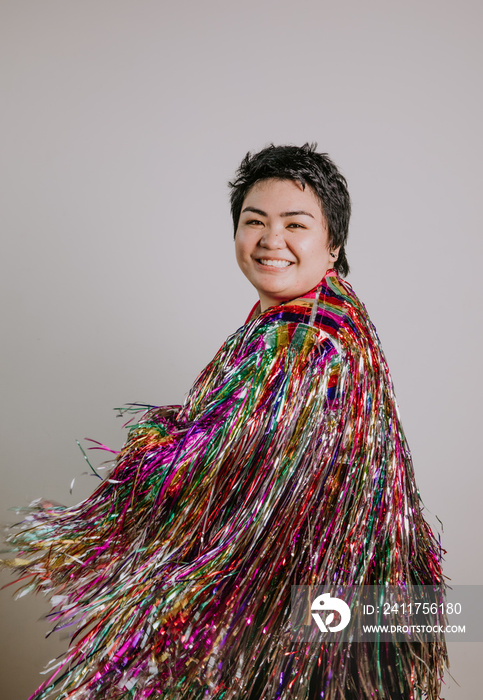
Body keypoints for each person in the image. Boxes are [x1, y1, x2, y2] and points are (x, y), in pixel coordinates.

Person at [3, 144, 448, 699]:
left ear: (332, 244)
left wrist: (94, 520)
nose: (270, 240)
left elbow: (217, 463)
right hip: (335, 602)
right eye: (253, 221)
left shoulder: (306, 336)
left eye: (295, 224)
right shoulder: (322, 310)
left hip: (312, 607)